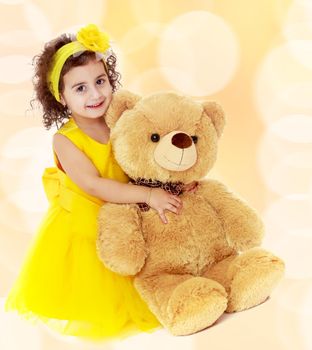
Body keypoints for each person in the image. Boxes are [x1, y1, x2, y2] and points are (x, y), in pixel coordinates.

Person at [4, 24, 198, 341]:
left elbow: (146, 157)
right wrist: (149, 195)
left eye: (100, 81)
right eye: (80, 88)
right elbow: (95, 186)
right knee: (110, 287)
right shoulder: (66, 141)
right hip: (89, 221)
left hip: (129, 211)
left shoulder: (122, 120)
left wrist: (174, 183)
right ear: (61, 97)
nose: (95, 94)